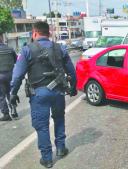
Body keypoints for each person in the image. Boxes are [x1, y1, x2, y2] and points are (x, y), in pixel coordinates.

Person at [10, 21, 77, 168]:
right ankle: (60, 148)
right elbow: (71, 71)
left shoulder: (27, 50)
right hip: (59, 92)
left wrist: (13, 94)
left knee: (42, 126)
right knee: (59, 119)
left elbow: (17, 77)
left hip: (39, 94)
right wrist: (74, 87)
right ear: (49, 33)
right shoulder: (60, 48)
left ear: (34, 33)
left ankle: (47, 158)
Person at [0, 36, 17, 121]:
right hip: (10, 74)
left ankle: (6, 114)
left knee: (1, 96)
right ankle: (14, 111)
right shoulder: (10, 49)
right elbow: (15, 60)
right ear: (1, 39)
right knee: (10, 93)